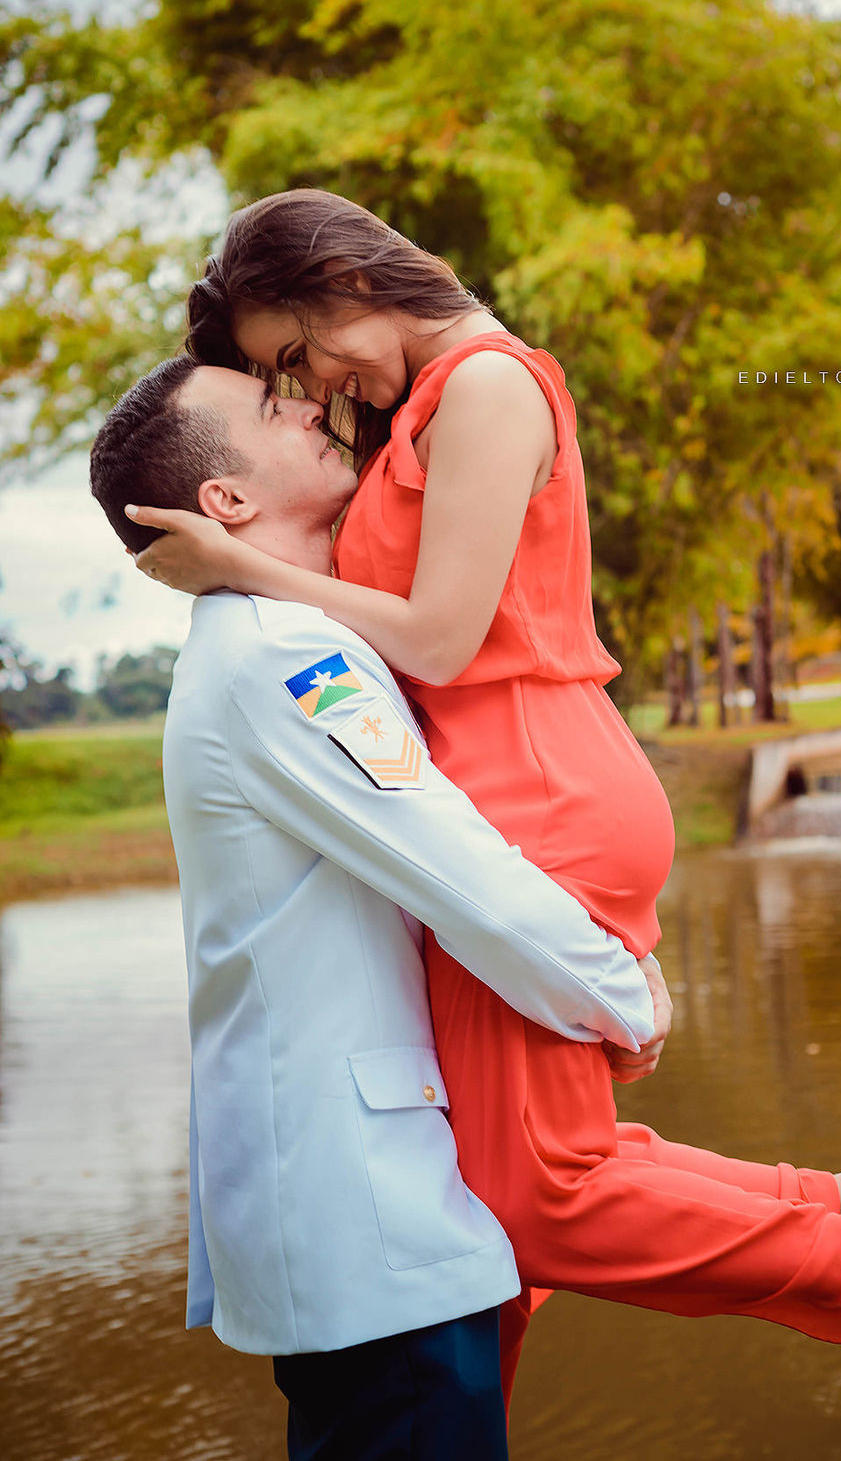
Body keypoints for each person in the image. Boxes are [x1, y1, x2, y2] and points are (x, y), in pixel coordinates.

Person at [128, 189, 841, 1401]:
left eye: (299, 354)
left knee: (538, 1200)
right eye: (282, 379)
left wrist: (235, 565)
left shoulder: (485, 385)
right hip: (517, 778)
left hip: (535, 786)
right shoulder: (422, 401)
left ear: (345, 278)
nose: (314, 388)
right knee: (528, 1172)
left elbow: (446, 638)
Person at [89, 355, 667, 1461]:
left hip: (364, 1209)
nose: (313, 402)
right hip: (370, 1221)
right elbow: (464, 878)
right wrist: (622, 996)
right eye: (273, 404)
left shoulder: (284, 640)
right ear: (227, 501)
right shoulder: (285, 658)